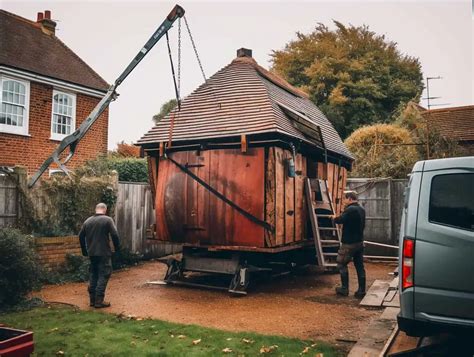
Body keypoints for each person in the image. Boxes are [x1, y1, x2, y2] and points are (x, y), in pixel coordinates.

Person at [79, 203, 120, 308]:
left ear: (96, 209)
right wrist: (117, 249)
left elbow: (80, 236)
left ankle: (92, 300)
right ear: (105, 210)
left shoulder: (87, 221)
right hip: (104, 253)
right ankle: (99, 301)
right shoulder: (107, 220)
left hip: (92, 254)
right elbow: (115, 234)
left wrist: (84, 250)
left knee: (94, 275)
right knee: (104, 275)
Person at [331, 191, 366, 298]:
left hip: (349, 243)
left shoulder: (350, 209)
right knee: (359, 266)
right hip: (359, 242)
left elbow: (340, 220)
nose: (344, 202)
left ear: (350, 198)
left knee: (341, 264)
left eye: (345, 199)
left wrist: (333, 218)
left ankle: (344, 289)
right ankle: (361, 291)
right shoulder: (361, 209)